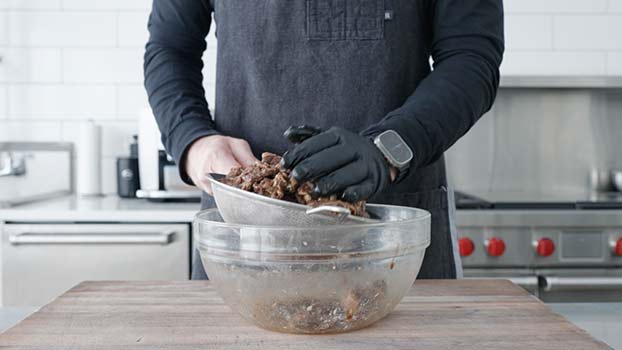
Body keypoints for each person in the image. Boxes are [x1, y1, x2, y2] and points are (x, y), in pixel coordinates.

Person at [144, 0, 504, 280]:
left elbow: (471, 57)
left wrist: (391, 148)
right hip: (246, 230)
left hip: (391, 238)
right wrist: (194, 143)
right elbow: (169, 49)